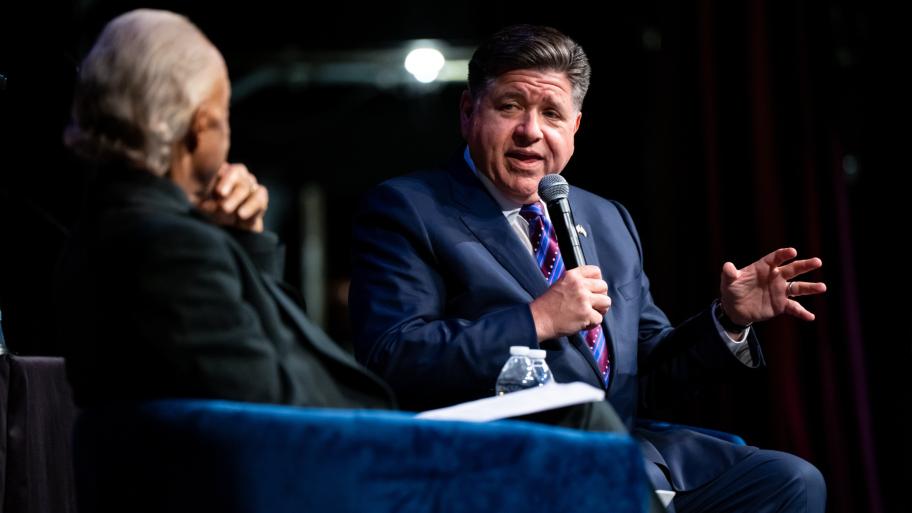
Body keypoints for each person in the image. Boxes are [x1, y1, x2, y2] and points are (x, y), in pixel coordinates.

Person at [350, 24, 827, 512]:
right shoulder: (409, 209)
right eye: (510, 106)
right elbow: (391, 356)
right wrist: (537, 319)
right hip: (501, 458)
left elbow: (646, 375)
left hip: (623, 452)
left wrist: (728, 320)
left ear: (574, 128)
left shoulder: (607, 218)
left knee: (790, 481)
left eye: (551, 113)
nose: (530, 130)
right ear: (470, 112)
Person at [56, 9, 393, 410]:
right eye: (225, 114)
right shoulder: (174, 249)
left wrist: (245, 240)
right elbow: (273, 406)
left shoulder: (104, 227)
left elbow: (257, 355)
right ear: (200, 127)